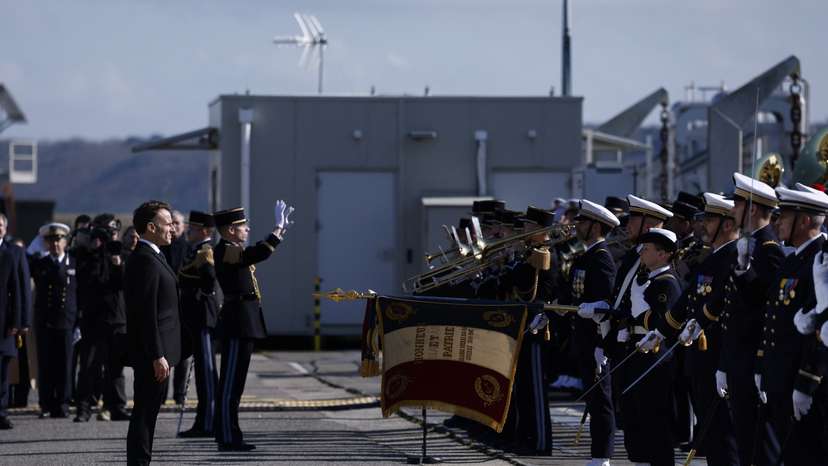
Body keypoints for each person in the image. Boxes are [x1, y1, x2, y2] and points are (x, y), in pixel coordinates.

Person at [659, 193, 741, 465]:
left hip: (719, 356)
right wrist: (661, 330)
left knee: (724, 434)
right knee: (711, 431)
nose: (702, 224)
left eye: (710, 219)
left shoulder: (734, 258)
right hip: (701, 359)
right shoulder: (712, 257)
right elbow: (687, 300)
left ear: (728, 224)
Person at [756, 185, 828, 465]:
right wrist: (763, 366)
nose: (778, 222)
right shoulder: (793, 260)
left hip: (806, 384)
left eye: (784, 215)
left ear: (806, 220)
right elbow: (773, 316)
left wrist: (805, 383)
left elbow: (821, 331)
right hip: (782, 379)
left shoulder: (820, 261)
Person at [213, 201, 293, 451]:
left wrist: (279, 232)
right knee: (230, 384)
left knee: (236, 383)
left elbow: (254, 254)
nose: (247, 229)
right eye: (242, 226)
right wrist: (276, 230)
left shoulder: (231, 248)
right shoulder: (225, 249)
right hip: (237, 322)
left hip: (244, 320)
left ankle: (228, 433)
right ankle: (227, 436)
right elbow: (257, 253)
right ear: (229, 230)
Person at [717, 173, 784, 465]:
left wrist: (747, 274)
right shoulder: (749, 246)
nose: (732, 210)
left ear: (752, 209)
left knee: (759, 444)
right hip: (737, 358)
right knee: (744, 439)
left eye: (737, 204)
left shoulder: (768, 251)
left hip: (753, 359)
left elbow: (768, 307)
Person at [124, 201, 184, 466]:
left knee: (149, 413)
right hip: (152, 354)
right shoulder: (145, 260)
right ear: (150, 227)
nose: (172, 228)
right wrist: (157, 354)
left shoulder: (156, 255)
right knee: (144, 414)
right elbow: (146, 313)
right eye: (167, 223)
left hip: (159, 352)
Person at [618, 228, 683, 466]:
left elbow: (665, 322)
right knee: (635, 413)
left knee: (655, 416)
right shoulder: (648, 279)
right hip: (636, 350)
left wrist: (640, 314)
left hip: (657, 356)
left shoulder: (667, 283)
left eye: (647, 249)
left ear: (664, 254)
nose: (642, 253)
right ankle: (641, 460)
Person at [565, 199, 619, 466]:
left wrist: (602, 344)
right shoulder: (586, 256)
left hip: (597, 338)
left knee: (601, 400)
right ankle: (597, 452)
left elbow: (608, 302)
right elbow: (573, 295)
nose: (578, 227)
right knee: (593, 398)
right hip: (584, 338)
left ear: (596, 226)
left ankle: (603, 455)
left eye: (583, 222)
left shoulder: (602, 258)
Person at [74, 214, 130, 422]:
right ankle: (84, 407)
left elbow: (124, 284)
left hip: (116, 317)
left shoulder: (120, 253)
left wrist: (117, 263)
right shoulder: (87, 253)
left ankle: (116, 406)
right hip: (93, 317)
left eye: (112, 231)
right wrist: (94, 249)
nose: (109, 235)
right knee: (89, 365)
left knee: (116, 367)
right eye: (105, 231)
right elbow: (85, 280)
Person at [177, 211, 220, 438]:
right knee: (203, 372)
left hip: (203, 317)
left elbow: (209, 279)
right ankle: (203, 420)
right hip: (194, 318)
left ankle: (209, 421)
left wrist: (201, 294)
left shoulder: (205, 251)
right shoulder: (193, 250)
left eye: (192, 229)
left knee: (206, 372)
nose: (189, 231)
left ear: (204, 231)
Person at [30, 223, 77, 419]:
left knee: (65, 364)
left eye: (58, 240)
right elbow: (27, 254)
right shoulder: (40, 263)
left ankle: (63, 402)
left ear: (65, 242)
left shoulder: (73, 263)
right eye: (50, 240)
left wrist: (79, 322)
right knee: (46, 364)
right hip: (46, 321)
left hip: (66, 320)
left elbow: (78, 293)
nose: (55, 244)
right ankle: (46, 403)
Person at [162, 209, 190, 406]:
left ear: (184, 226)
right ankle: (161, 394)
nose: (174, 227)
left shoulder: (189, 248)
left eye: (177, 223)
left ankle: (179, 394)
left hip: (183, 306)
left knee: (182, 355)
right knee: (164, 353)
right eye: (171, 223)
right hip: (165, 308)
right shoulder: (162, 247)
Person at [0, 227, 21, 429]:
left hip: (3, 325)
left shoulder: (8, 256)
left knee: (2, 371)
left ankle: (1, 411)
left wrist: (16, 322)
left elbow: (16, 290)